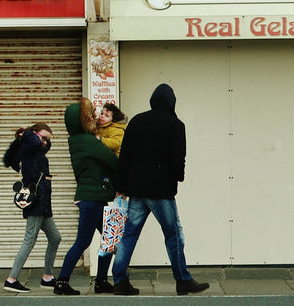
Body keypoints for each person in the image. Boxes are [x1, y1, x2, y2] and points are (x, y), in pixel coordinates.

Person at [108, 84, 209, 296]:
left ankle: (119, 280)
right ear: (172, 102)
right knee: (173, 235)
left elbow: (125, 156)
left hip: (136, 190)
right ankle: (182, 280)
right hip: (160, 191)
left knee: (129, 235)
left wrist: (121, 186)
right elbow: (177, 158)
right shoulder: (175, 124)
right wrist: (176, 181)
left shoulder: (136, 121)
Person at [52, 99, 118, 296]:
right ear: (85, 120)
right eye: (91, 115)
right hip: (92, 198)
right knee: (83, 241)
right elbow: (112, 161)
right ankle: (62, 282)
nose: (95, 118)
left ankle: (101, 282)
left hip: (92, 197)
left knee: (108, 238)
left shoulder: (76, 141)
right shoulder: (88, 141)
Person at [3, 123, 61, 293]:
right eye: (42, 138)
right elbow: (33, 144)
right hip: (36, 202)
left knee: (55, 238)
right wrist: (28, 133)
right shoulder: (28, 148)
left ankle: (47, 277)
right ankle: (11, 279)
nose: (45, 142)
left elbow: (42, 147)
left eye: (47, 140)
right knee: (29, 240)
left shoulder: (36, 149)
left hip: (44, 204)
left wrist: (37, 138)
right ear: (34, 135)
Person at [92, 102, 129, 293]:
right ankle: (102, 280)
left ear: (113, 119)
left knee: (111, 235)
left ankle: (111, 278)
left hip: (115, 186)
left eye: (106, 115)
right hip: (104, 186)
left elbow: (114, 145)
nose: (102, 117)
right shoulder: (99, 129)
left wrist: (98, 139)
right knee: (109, 236)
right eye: (102, 114)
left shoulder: (118, 130)